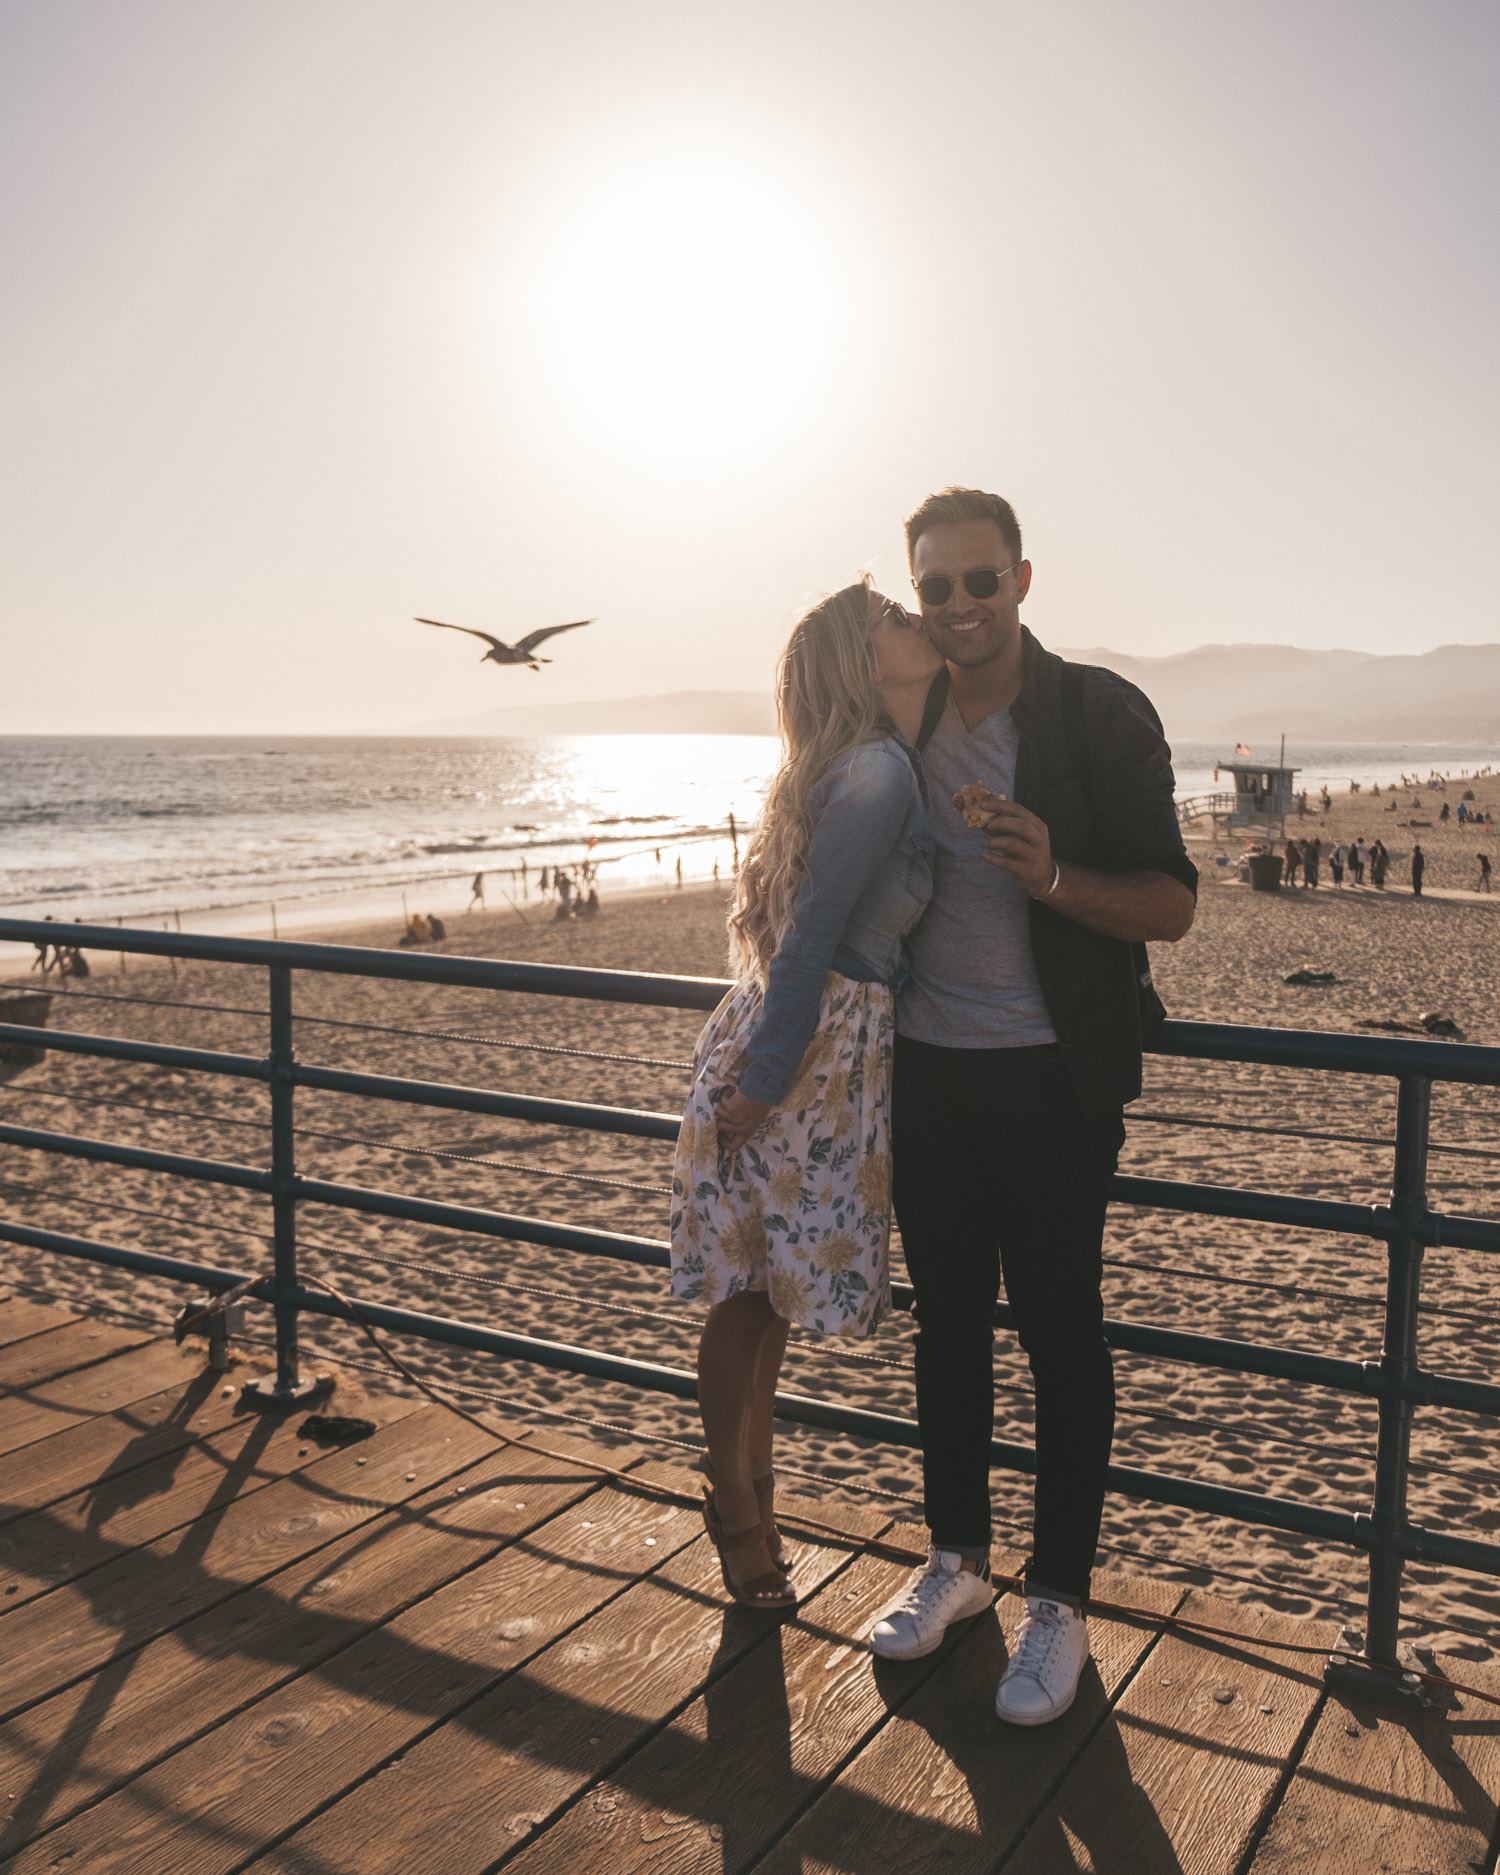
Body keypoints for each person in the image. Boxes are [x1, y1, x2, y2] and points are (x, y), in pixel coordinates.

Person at [864, 489, 1196, 1726]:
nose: (957, 607)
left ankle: (1059, 1601)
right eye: (935, 588)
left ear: (1023, 580)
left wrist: (1052, 874)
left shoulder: (1100, 712)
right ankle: (957, 1561)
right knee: (946, 1323)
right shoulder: (905, 715)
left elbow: (1172, 903)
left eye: (979, 582)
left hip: (1058, 1077)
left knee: (1061, 1332)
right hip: (927, 1071)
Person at [669, 578, 942, 1610]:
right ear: (864, 664)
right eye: (895, 621)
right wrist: (768, 1080)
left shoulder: (880, 764)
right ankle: (737, 1511)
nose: (917, 621)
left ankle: (757, 1500)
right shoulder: (877, 772)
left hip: (822, 1052)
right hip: (802, 1055)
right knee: (748, 1298)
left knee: (771, 1293)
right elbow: (814, 935)